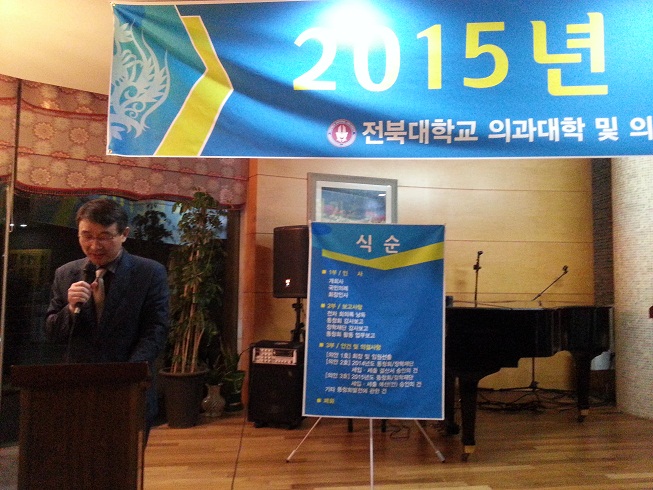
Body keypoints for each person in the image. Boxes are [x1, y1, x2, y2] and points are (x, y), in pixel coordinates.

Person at [45, 198, 170, 442]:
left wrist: (126, 376)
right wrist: (69, 309)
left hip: (130, 388)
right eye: (86, 236)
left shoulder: (149, 273)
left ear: (124, 234)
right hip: (77, 389)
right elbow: (51, 332)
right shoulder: (66, 273)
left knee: (125, 458)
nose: (94, 245)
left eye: (104, 237)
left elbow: (156, 330)